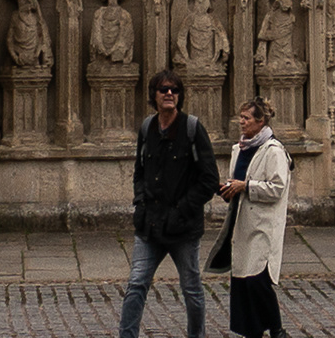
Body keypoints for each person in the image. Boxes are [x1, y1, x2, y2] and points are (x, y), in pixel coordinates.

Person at [120, 70, 224, 338]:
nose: (169, 94)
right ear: (153, 95)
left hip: (183, 227)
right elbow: (140, 171)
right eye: (164, 89)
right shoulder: (147, 128)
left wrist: (182, 210)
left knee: (191, 287)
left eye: (175, 90)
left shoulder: (192, 128)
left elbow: (209, 179)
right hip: (150, 225)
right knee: (136, 284)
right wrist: (140, 202)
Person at [215, 95, 293, 336]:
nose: (242, 122)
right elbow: (237, 181)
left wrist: (245, 187)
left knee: (257, 279)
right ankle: (252, 331)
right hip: (242, 223)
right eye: (241, 117)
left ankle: (277, 330)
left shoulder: (273, 150)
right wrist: (229, 190)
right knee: (242, 281)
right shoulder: (238, 150)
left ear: (261, 122)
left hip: (263, 224)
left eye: (246, 118)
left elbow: (277, 188)